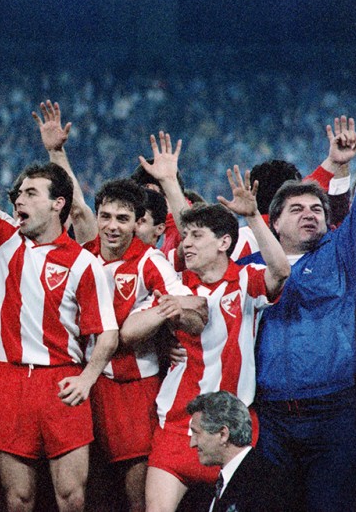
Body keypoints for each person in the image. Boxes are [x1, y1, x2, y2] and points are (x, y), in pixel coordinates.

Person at [0, 103, 119, 510]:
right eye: (18, 194)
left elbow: (107, 333)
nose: (19, 199)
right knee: (17, 499)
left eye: (31, 193)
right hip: (9, 381)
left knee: (71, 498)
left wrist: (88, 379)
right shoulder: (5, 240)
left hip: (62, 381)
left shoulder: (82, 262)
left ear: (58, 204)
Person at [32, 101, 203, 512]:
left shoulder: (150, 261)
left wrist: (171, 314)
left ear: (137, 222)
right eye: (106, 215)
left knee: (135, 494)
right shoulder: (87, 249)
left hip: (133, 389)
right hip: (83, 378)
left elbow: (196, 312)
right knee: (84, 491)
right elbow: (75, 207)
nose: (111, 226)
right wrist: (56, 153)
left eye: (123, 219)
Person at [122, 162, 290, 512]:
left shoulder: (246, 280)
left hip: (233, 425)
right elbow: (129, 332)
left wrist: (254, 217)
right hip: (178, 424)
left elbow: (281, 271)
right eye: (184, 237)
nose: (186, 244)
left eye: (196, 236)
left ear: (224, 243)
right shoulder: (175, 286)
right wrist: (165, 316)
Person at [245, 123, 356, 512]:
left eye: (317, 209)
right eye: (296, 209)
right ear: (273, 222)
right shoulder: (246, 267)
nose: (309, 215)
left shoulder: (342, 255)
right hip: (270, 419)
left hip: (333, 416)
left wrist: (344, 165)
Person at [187, 391, 287, 512]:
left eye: (196, 433)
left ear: (223, 434)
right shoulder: (205, 490)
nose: (192, 443)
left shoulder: (268, 484)